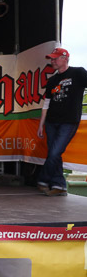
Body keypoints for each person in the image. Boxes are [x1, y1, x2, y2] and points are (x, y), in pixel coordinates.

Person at [37, 47, 87, 196]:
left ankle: (43, 179)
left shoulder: (78, 72)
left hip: (69, 121)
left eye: (55, 58)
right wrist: (41, 124)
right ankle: (59, 185)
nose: (52, 61)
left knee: (54, 152)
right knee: (55, 153)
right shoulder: (52, 80)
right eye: (51, 59)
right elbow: (46, 103)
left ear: (65, 58)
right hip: (51, 122)